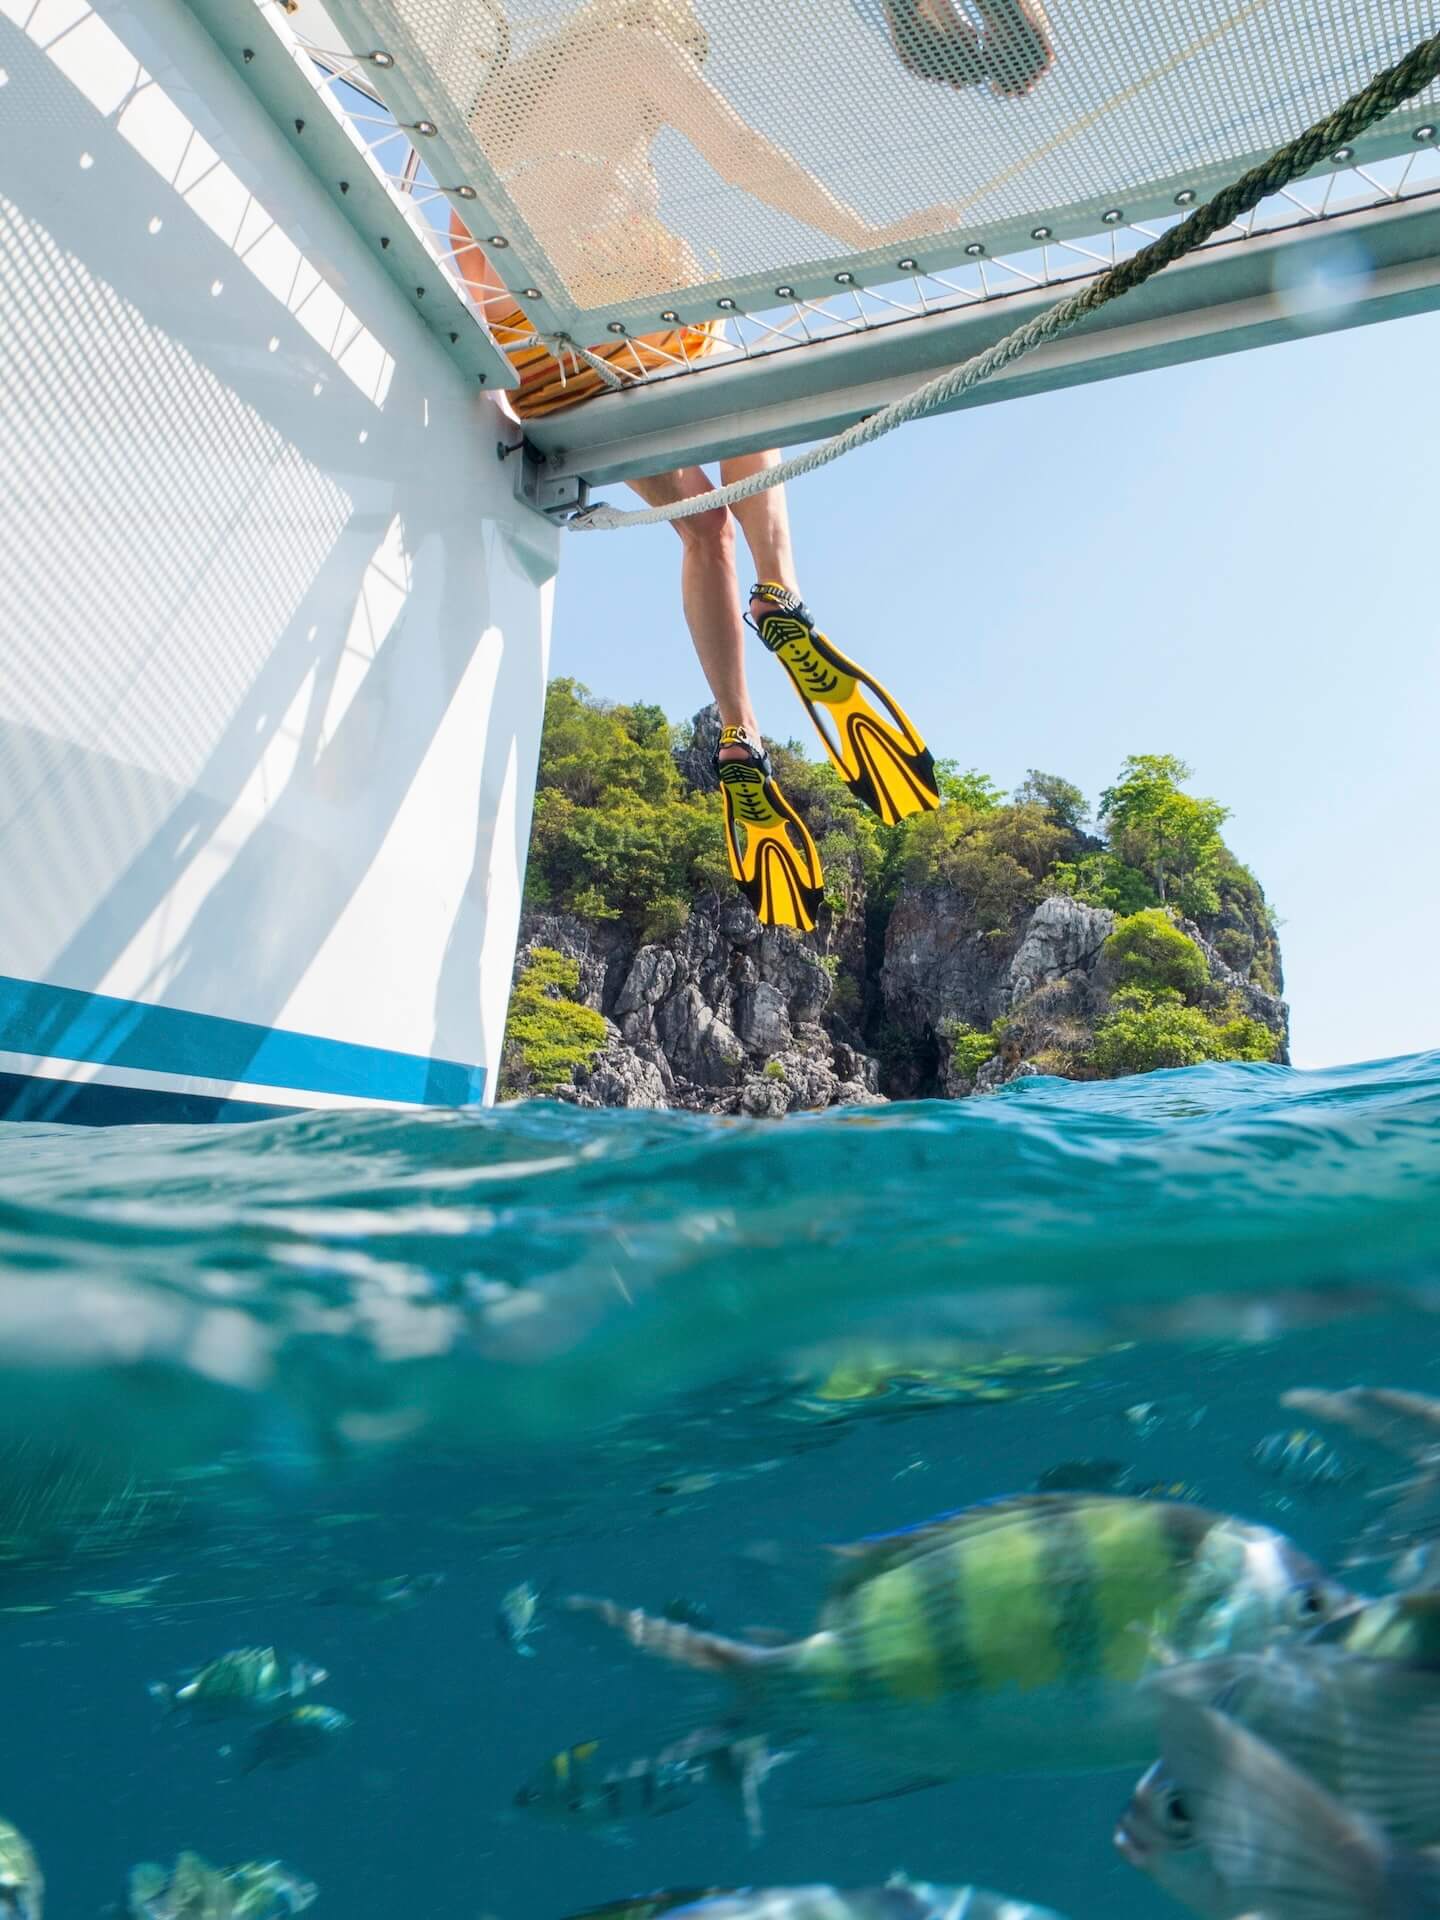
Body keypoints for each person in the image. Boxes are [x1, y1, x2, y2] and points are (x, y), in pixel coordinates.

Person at [451, 0, 975, 927]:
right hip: (619, 311)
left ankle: (738, 736)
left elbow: (465, 243)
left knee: (701, 526)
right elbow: (744, 157)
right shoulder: (637, 46)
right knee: (735, 353)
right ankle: (780, 594)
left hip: (536, 367)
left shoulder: (498, 103)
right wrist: (867, 236)